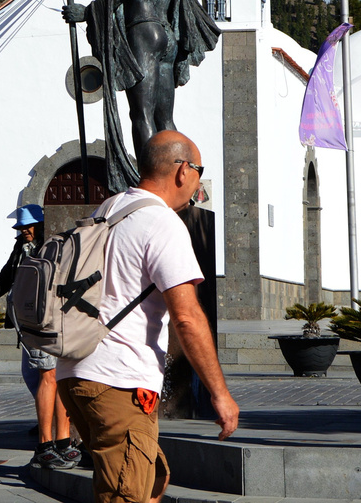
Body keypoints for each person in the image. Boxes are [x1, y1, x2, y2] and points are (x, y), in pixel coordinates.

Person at [56, 131, 238, 503]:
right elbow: (187, 317)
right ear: (183, 170)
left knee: (147, 479)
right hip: (118, 381)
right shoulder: (162, 223)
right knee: (126, 494)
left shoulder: (107, 210)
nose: (198, 180)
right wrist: (220, 394)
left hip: (75, 373)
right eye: (199, 170)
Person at [64, 0, 219, 191]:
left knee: (142, 113)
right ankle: (179, 180)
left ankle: (151, 182)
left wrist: (86, 13)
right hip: (167, 37)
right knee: (166, 118)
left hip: (142, 31)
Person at [0, 204, 78, 471]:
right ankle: (60, 437)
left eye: (29, 226)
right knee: (40, 376)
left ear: (41, 225)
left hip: (44, 320)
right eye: (21, 227)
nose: (24, 230)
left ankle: (50, 442)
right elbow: (8, 274)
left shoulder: (46, 247)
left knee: (48, 377)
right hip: (34, 323)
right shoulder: (22, 248)